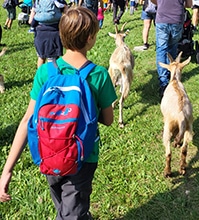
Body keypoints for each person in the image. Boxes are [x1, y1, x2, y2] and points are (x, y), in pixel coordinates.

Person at [0, 7, 117, 219]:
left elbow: (27, 119)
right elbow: (108, 120)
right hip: (83, 156)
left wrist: (7, 169)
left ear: (61, 36)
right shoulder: (98, 74)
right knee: (72, 210)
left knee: (64, 205)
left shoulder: (45, 72)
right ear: (91, 38)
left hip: (48, 153)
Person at [151, 0, 192, 97]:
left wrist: (161, 4)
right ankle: (173, 74)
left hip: (162, 17)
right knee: (172, 46)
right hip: (176, 18)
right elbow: (189, 4)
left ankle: (163, 82)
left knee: (162, 49)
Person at [33, 0, 67, 67]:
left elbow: (31, 19)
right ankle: (53, 75)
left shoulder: (38, 1)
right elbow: (66, 12)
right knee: (52, 58)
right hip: (54, 31)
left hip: (40, 31)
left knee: (41, 57)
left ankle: (39, 74)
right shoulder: (57, 1)